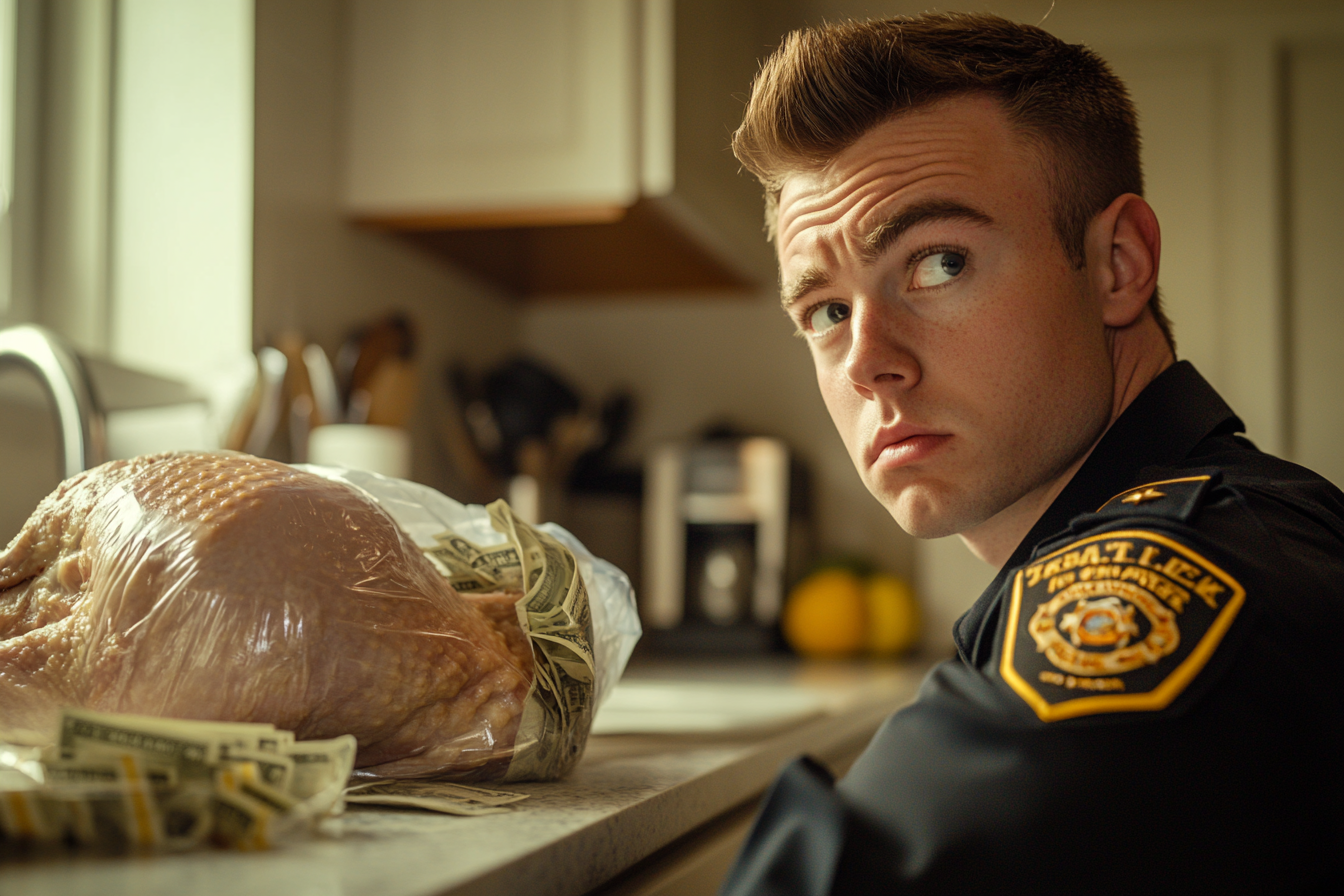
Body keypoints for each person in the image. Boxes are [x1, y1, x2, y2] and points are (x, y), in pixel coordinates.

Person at [719, 12, 1343, 895]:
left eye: (937, 263)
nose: (865, 361)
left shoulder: (1177, 572)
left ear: (1119, 264)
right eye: (824, 311)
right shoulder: (1235, 521)